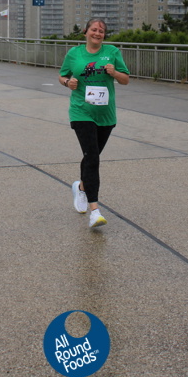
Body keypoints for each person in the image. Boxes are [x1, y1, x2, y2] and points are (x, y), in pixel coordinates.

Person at [58, 18, 130, 228]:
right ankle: (95, 211)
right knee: (92, 157)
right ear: (86, 32)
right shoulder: (74, 53)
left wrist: (114, 73)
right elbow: (62, 76)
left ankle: (81, 187)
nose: (97, 33)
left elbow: (125, 79)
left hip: (106, 114)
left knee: (92, 156)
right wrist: (68, 82)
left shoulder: (112, 52)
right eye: (94, 30)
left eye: (101, 31)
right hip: (81, 111)